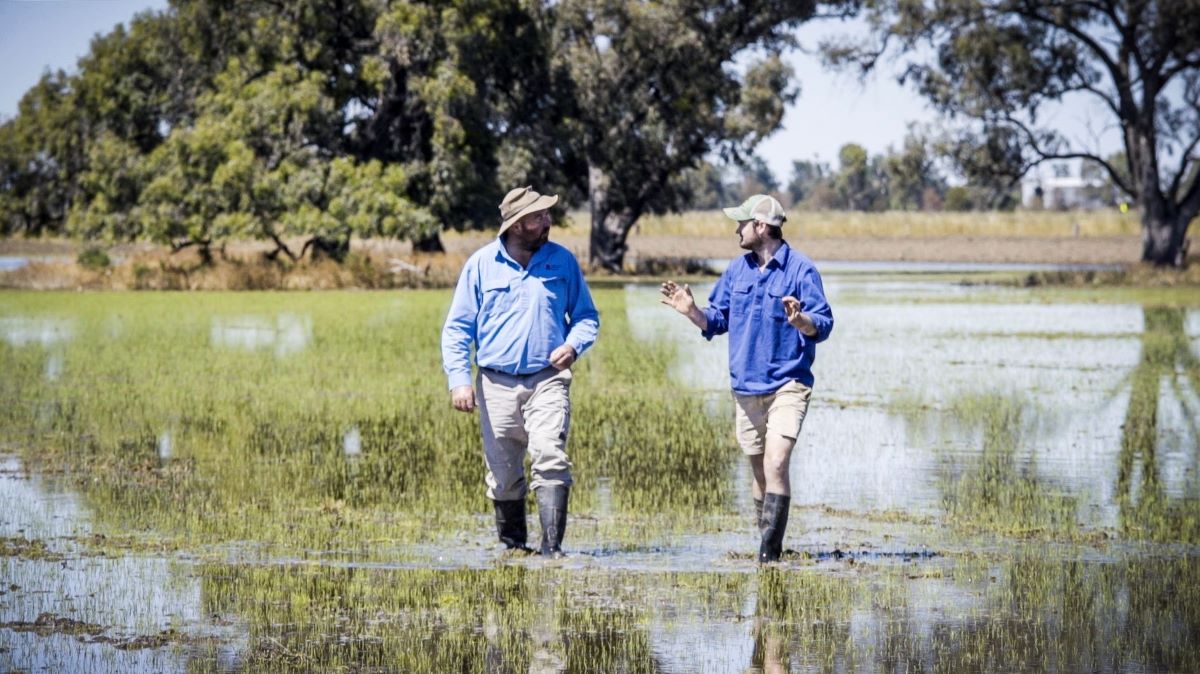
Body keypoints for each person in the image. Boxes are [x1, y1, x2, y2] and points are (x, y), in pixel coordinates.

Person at [660, 194, 833, 563]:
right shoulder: (737, 270)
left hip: (789, 383)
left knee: (776, 464)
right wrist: (692, 312)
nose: (736, 229)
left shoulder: (802, 270)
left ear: (761, 226)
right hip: (745, 388)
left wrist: (801, 321)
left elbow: (823, 323)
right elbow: (716, 320)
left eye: (741, 222)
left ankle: (768, 557)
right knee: (759, 472)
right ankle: (768, 544)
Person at [442, 186, 600, 558]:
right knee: (504, 476)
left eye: (546, 214)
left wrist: (574, 344)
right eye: (537, 216)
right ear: (515, 225)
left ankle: (552, 550)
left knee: (550, 454)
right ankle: (514, 549)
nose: (546, 220)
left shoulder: (562, 262)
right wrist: (460, 381)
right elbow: (457, 329)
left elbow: (586, 317)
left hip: (548, 379)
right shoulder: (481, 265)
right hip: (494, 384)